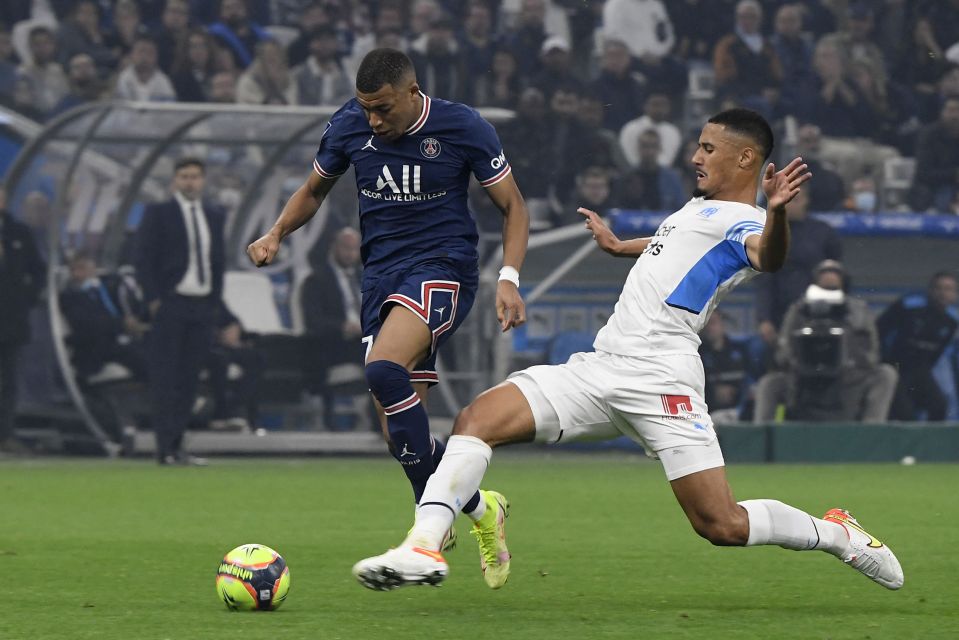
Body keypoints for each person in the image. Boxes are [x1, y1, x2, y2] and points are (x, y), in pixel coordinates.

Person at [353, 108, 904, 593]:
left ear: (746, 158)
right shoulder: (695, 209)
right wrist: (622, 247)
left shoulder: (750, 221)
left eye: (708, 148)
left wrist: (778, 210)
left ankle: (835, 533)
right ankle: (423, 545)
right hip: (601, 367)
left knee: (722, 525)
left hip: (663, 379)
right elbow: (676, 246)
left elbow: (770, 256)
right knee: (476, 419)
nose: (695, 156)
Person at [246, 48, 529, 583]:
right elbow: (313, 190)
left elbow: (513, 205)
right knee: (401, 440)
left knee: (381, 369)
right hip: (380, 280)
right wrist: (277, 232)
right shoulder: (349, 126)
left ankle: (424, 542)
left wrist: (509, 278)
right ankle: (480, 509)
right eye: (366, 109)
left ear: (412, 92)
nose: (374, 120)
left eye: (382, 108)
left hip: (442, 269)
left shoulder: (461, 125)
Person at [135, 157, 225, 466]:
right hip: (171, 303)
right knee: (166, 378)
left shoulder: (213, 216)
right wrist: (153, 300)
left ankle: (178, 444)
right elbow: (143, 259)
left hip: (201, 305)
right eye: (184, 176)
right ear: (175, 180)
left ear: (203, 181)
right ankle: (164, 448)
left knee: (190, 379)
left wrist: (214, 304)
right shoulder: (159, 213)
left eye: (195, 176)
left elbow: (218, 262)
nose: (189, 182)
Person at [753, 260, 897, 423]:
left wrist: (849, 362)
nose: (829, 278)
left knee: (886, 374)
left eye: (835, 274)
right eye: (824, 274)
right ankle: (761, 438)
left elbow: (872, 353)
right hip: (803, 383)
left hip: (848, 384)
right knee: (769, 383)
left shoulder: (860, 311)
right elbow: (783, 352)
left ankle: (872, 431)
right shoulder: (798, 310)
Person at [300, 226, 366, 427]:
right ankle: (379, 421)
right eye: (346, 248)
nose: (351, 253)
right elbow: (314, 321)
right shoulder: (316, 280)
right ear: (334, 248)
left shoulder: (365, 278)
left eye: (355, 249)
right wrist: (344, 327)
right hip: (334, 344)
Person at [0, 185, 46, 455]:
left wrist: (24, 298)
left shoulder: (19, 233)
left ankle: (5, 434)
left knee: (8, 379)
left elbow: (38, 271)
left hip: (10, 320)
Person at [878, 272, 959, 422]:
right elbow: (880, 329)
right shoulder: (909, 306)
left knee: (939, 406)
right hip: (896, 368)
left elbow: (937, 352)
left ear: (954, 295)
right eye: (939, 288)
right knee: (906, 414)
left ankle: (932, 443)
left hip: (921, 370)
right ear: (930, 290)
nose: (943, 293)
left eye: (948, 289)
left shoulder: (951, 322)